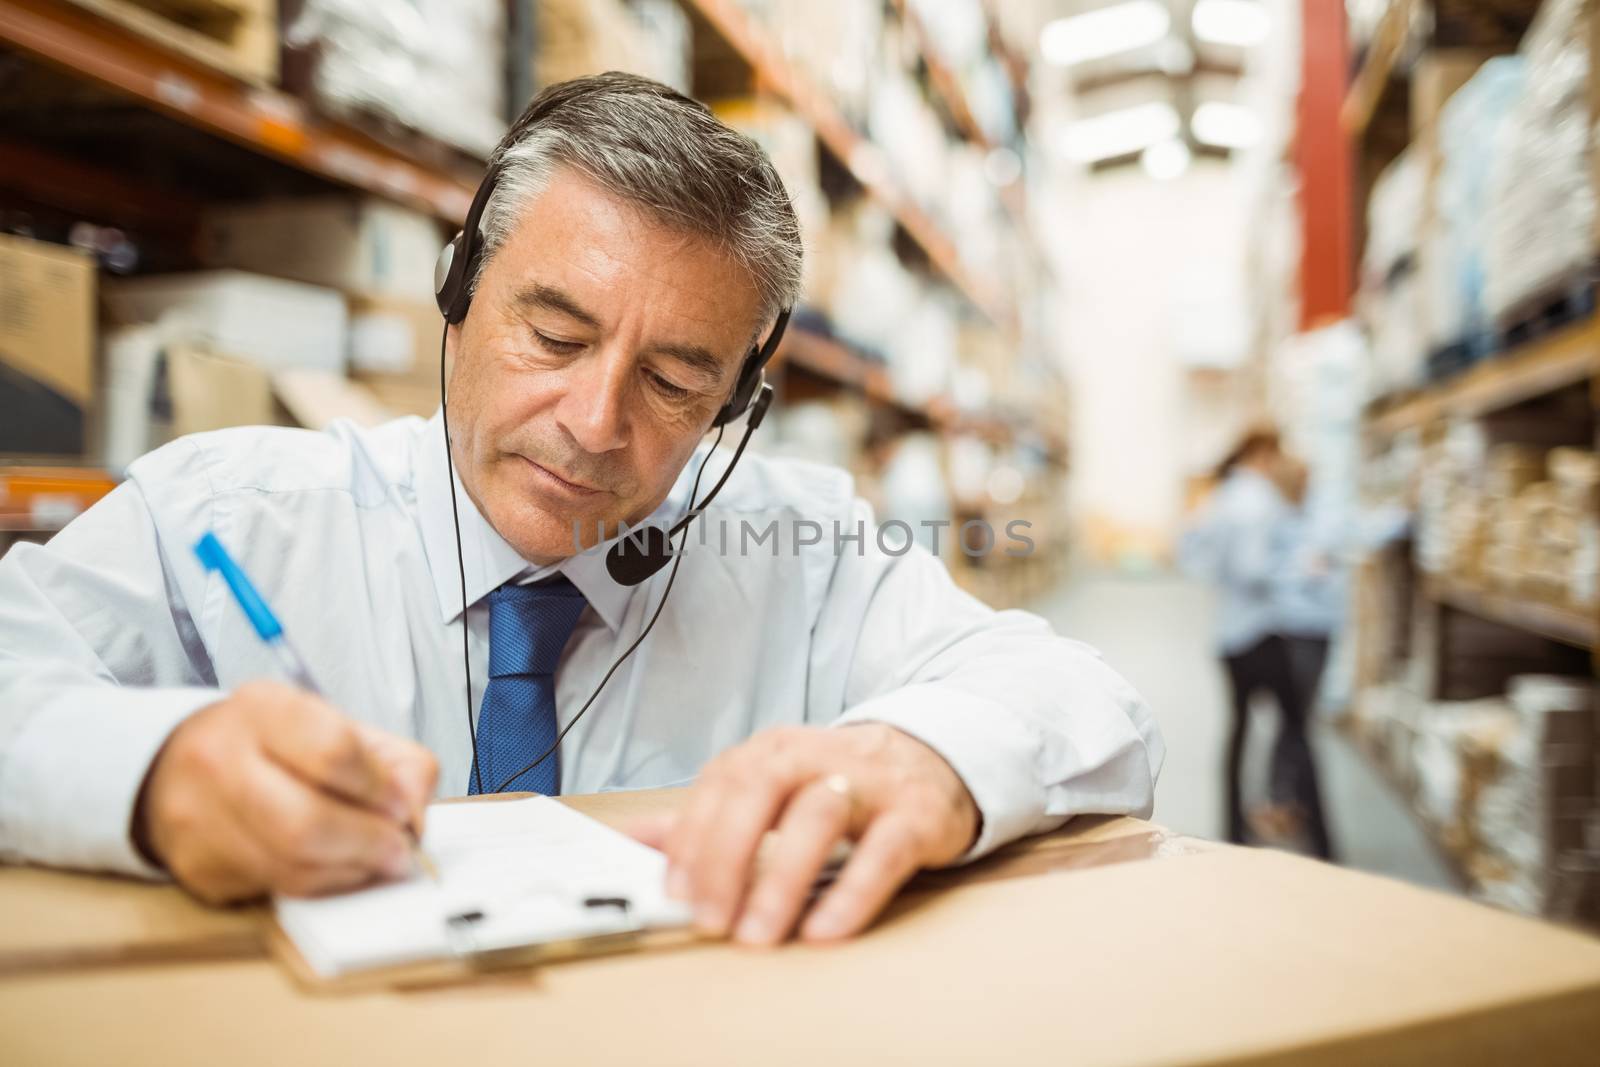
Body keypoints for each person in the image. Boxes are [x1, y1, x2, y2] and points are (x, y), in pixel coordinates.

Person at [0, 74, 1162, 946]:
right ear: (457, 292)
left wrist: (929, 757)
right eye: (553, 335)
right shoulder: (226, 517)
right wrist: (151, 773)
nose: (595, 420)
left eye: (673, 381)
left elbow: (1086, 702)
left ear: (736, 407)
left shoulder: (800, 546)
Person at [1181, 431, 1333, 859]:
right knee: (1297, 733)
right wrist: (1299, 569)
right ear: (1261, 453)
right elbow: (1252, 569)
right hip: (1259, 633)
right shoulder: (1256, 499)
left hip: (1228, 633)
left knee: (1239, 732)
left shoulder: (1223, 497)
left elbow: (1193, 554)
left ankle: (1232, 828)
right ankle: (1323, 842)